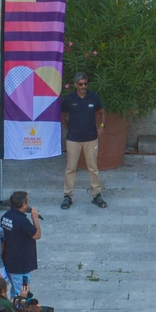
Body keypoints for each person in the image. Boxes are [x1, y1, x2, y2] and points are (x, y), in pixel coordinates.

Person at [60, 71, 107, 211]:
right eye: (80, 84)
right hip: (73, 139)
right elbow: (62, 116)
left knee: (93, 168)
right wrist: (69, 128)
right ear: (75, 85)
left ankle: (97, 195)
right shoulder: (69, 99)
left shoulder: (94, 97)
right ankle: (67, 196)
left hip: (91, 139)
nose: (83, 86)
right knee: (70, 168)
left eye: (85, 84)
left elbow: (102, 112)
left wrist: (102, 126)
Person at [0, 191, 41, 294]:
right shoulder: (22, 221)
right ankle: (20, 310)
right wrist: (35, 218)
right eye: (28, 201)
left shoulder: (5, 217)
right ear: (24, 205)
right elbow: (37, 235)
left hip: (9, 261)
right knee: (22, 294)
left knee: (14, 291)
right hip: (21, 265)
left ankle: (14, 308)